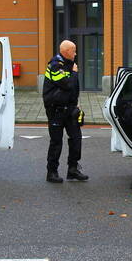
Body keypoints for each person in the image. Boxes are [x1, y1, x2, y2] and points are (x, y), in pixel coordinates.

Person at [42, 39, 89, 183]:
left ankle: (73, 169)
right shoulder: (55, 65)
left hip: (70, 109)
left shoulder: (69, 64)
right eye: (74, 51)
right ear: (66, 52)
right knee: (56, 142)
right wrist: (74, 73)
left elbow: (73, 89)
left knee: (76, 139)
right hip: (55, 110)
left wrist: (76, 105)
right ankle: (52, 172)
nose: (75, 54)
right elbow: (67, 84)